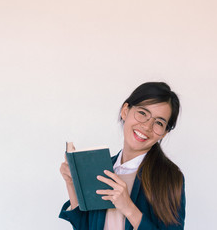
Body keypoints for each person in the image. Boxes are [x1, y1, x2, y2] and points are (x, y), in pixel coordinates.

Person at [59, 82, 186, 230]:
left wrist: (129, 208)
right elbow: (84, 227)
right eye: (143, 113)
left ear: (164, 132)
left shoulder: (169, 178)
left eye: (158, 122)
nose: (146, 126)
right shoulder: (103, 168)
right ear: (125, 111)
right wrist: (71, 183)